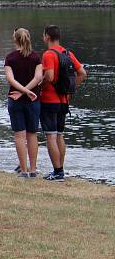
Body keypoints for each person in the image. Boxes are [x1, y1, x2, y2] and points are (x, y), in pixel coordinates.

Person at [38, 25, 86, 181]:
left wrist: (40, 88)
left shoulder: (48, 54)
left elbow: (49, 77)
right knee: (59, 135)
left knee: (50, 136)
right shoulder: (68, 53)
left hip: (49, 100)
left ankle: (58, 172)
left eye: (43, 35)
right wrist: (70, 90)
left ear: (47, 37)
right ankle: (60, 170)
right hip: (64, 101)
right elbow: (82, 73)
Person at [4, 28, 42, 177]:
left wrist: (21, 91)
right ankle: (33, 170)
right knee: (32, 134)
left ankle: (24, 171)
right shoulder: (35, 57)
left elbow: (10, 79)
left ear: (15, 40)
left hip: (15, 99)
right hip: (33, 100)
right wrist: (27, 91)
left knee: (19, 135)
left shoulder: (10, 58)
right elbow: (38, 78)